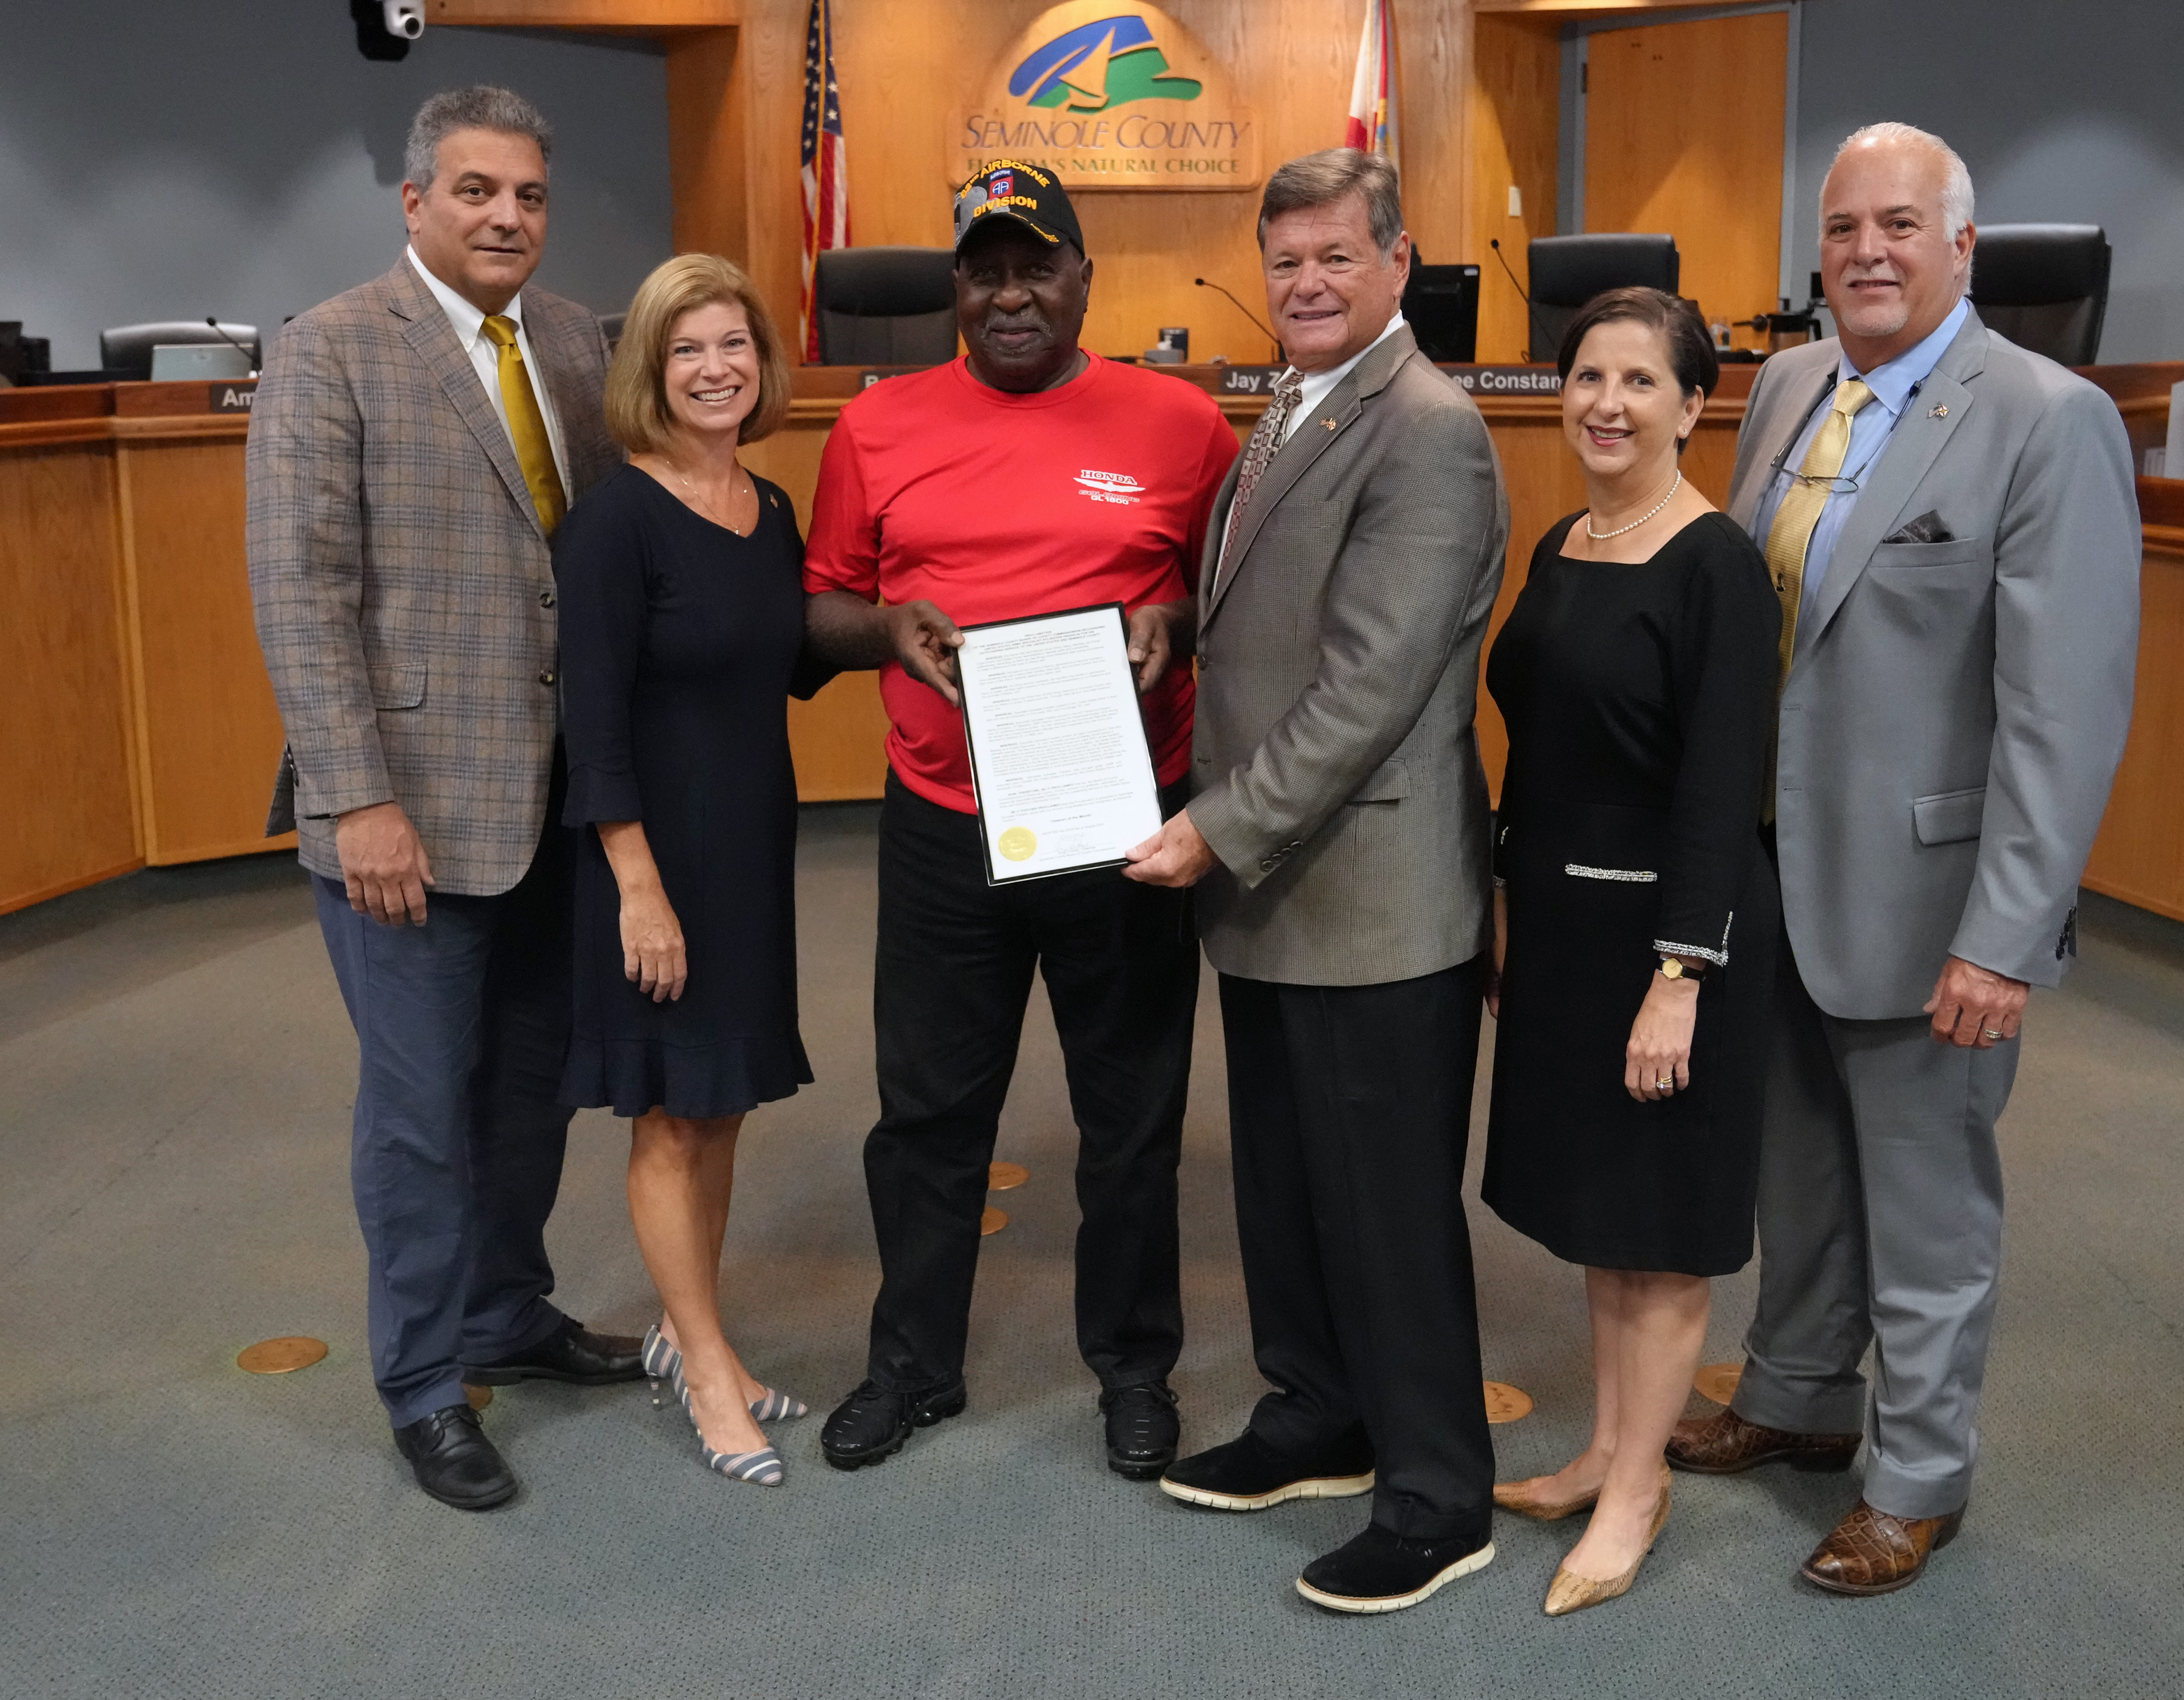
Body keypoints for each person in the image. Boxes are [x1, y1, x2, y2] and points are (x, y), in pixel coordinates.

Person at [1668, 121, 2140, 1594]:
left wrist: (2008, 933)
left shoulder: (2047, 417)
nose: (1868, 251)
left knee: (1929, 1209)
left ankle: (1919, 1476)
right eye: (1844, 226)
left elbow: (2062, 710)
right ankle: (1801, 1396)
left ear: (1962, 249)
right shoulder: (1793, 386)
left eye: (1900, 227)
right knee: (1800, 1172)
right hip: (1780, 872)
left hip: (1935, 897)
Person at [801, 161, 1240, 1480]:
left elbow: (1246, 603)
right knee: (929, 1113)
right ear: (955, 288)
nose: (1009, 295)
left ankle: (1134, 1370)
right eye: (984, 270)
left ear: (1083, 280)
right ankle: (912, 1367)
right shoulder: (876, 428)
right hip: (946, 823)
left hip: (1125, 829)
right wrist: (883, 626)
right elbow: (815, 613)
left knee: (1131, 1116)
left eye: (1034, 266)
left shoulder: (1180, 425)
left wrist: (1181, 625)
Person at [1125, 149, 1511, 1616]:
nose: (1305, 283)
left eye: (1336, 258)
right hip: (1282, 888)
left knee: (1389, 1208)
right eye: (1285, 259)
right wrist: (1178, 618)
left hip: (1373, 888)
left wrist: (1217, 827)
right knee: (1288, 1187)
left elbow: (1369, 686)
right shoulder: (1289, 408)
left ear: (1398, 262)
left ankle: (1436, 1494)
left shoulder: (1429, 431)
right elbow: (1275, 616)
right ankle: (1318, 1416)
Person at [247, 84, 637, 1512]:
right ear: (416, 204)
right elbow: (302, 590)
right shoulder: (334, 349)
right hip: (402, 816)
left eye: (528, 194)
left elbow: (597, 555)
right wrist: (355, 799)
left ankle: (505, 1315)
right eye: (476, 191)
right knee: (419, 1112)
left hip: (549, 806)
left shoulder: (578, 341)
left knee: (530, 1089)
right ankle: (423, 1383)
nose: (507, 217)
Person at [1478, 288, 1781, 1616]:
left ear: (1693, 404)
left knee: (1660, 1234)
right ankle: (1605, 1443)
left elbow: (1721, 788)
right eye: (1587, 376)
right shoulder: (1563, 541)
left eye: (1639, 382)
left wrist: (1681, 976)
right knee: (1603, 1214)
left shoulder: (1717, 561)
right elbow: (1536, 745)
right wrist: (1503, 895)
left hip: (1670, 938)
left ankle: (1641, 1488)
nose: (1606, 403)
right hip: (1560, 921)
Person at [552, 253, 819, 1487]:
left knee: (723, 1100)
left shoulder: (768, 509)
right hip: (651, 860)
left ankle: (686, 1325)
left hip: (752, 846)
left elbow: (793, 661)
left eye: (735, 346)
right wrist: (637, 887)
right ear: (651, 374)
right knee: (669, 1110)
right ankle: (708, 1366)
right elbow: (591, 724)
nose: (717, 369)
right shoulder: (614, 521)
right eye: (689, 351)